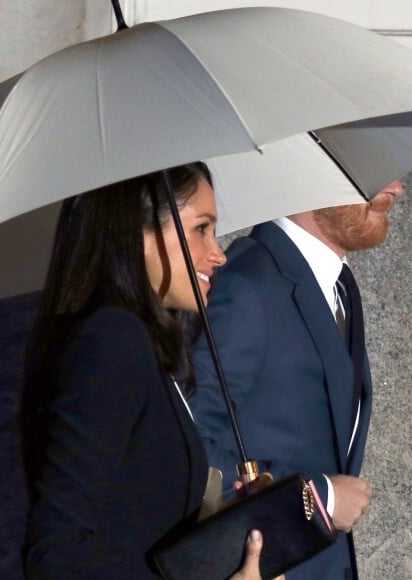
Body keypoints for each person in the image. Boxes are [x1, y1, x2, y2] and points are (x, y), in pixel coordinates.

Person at [21, 163, 274, 579]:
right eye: (201, 229)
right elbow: (55, 554)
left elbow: (133, 523)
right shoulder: (112, 339)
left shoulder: (139, 345)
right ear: (134, 232)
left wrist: (226, 520)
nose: (219, 253)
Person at [190, 179, 405, 579]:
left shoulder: (338, 284)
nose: (396, 187)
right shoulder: (245, 285)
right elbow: (187, 449)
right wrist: (316, 498)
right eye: (377, 171)